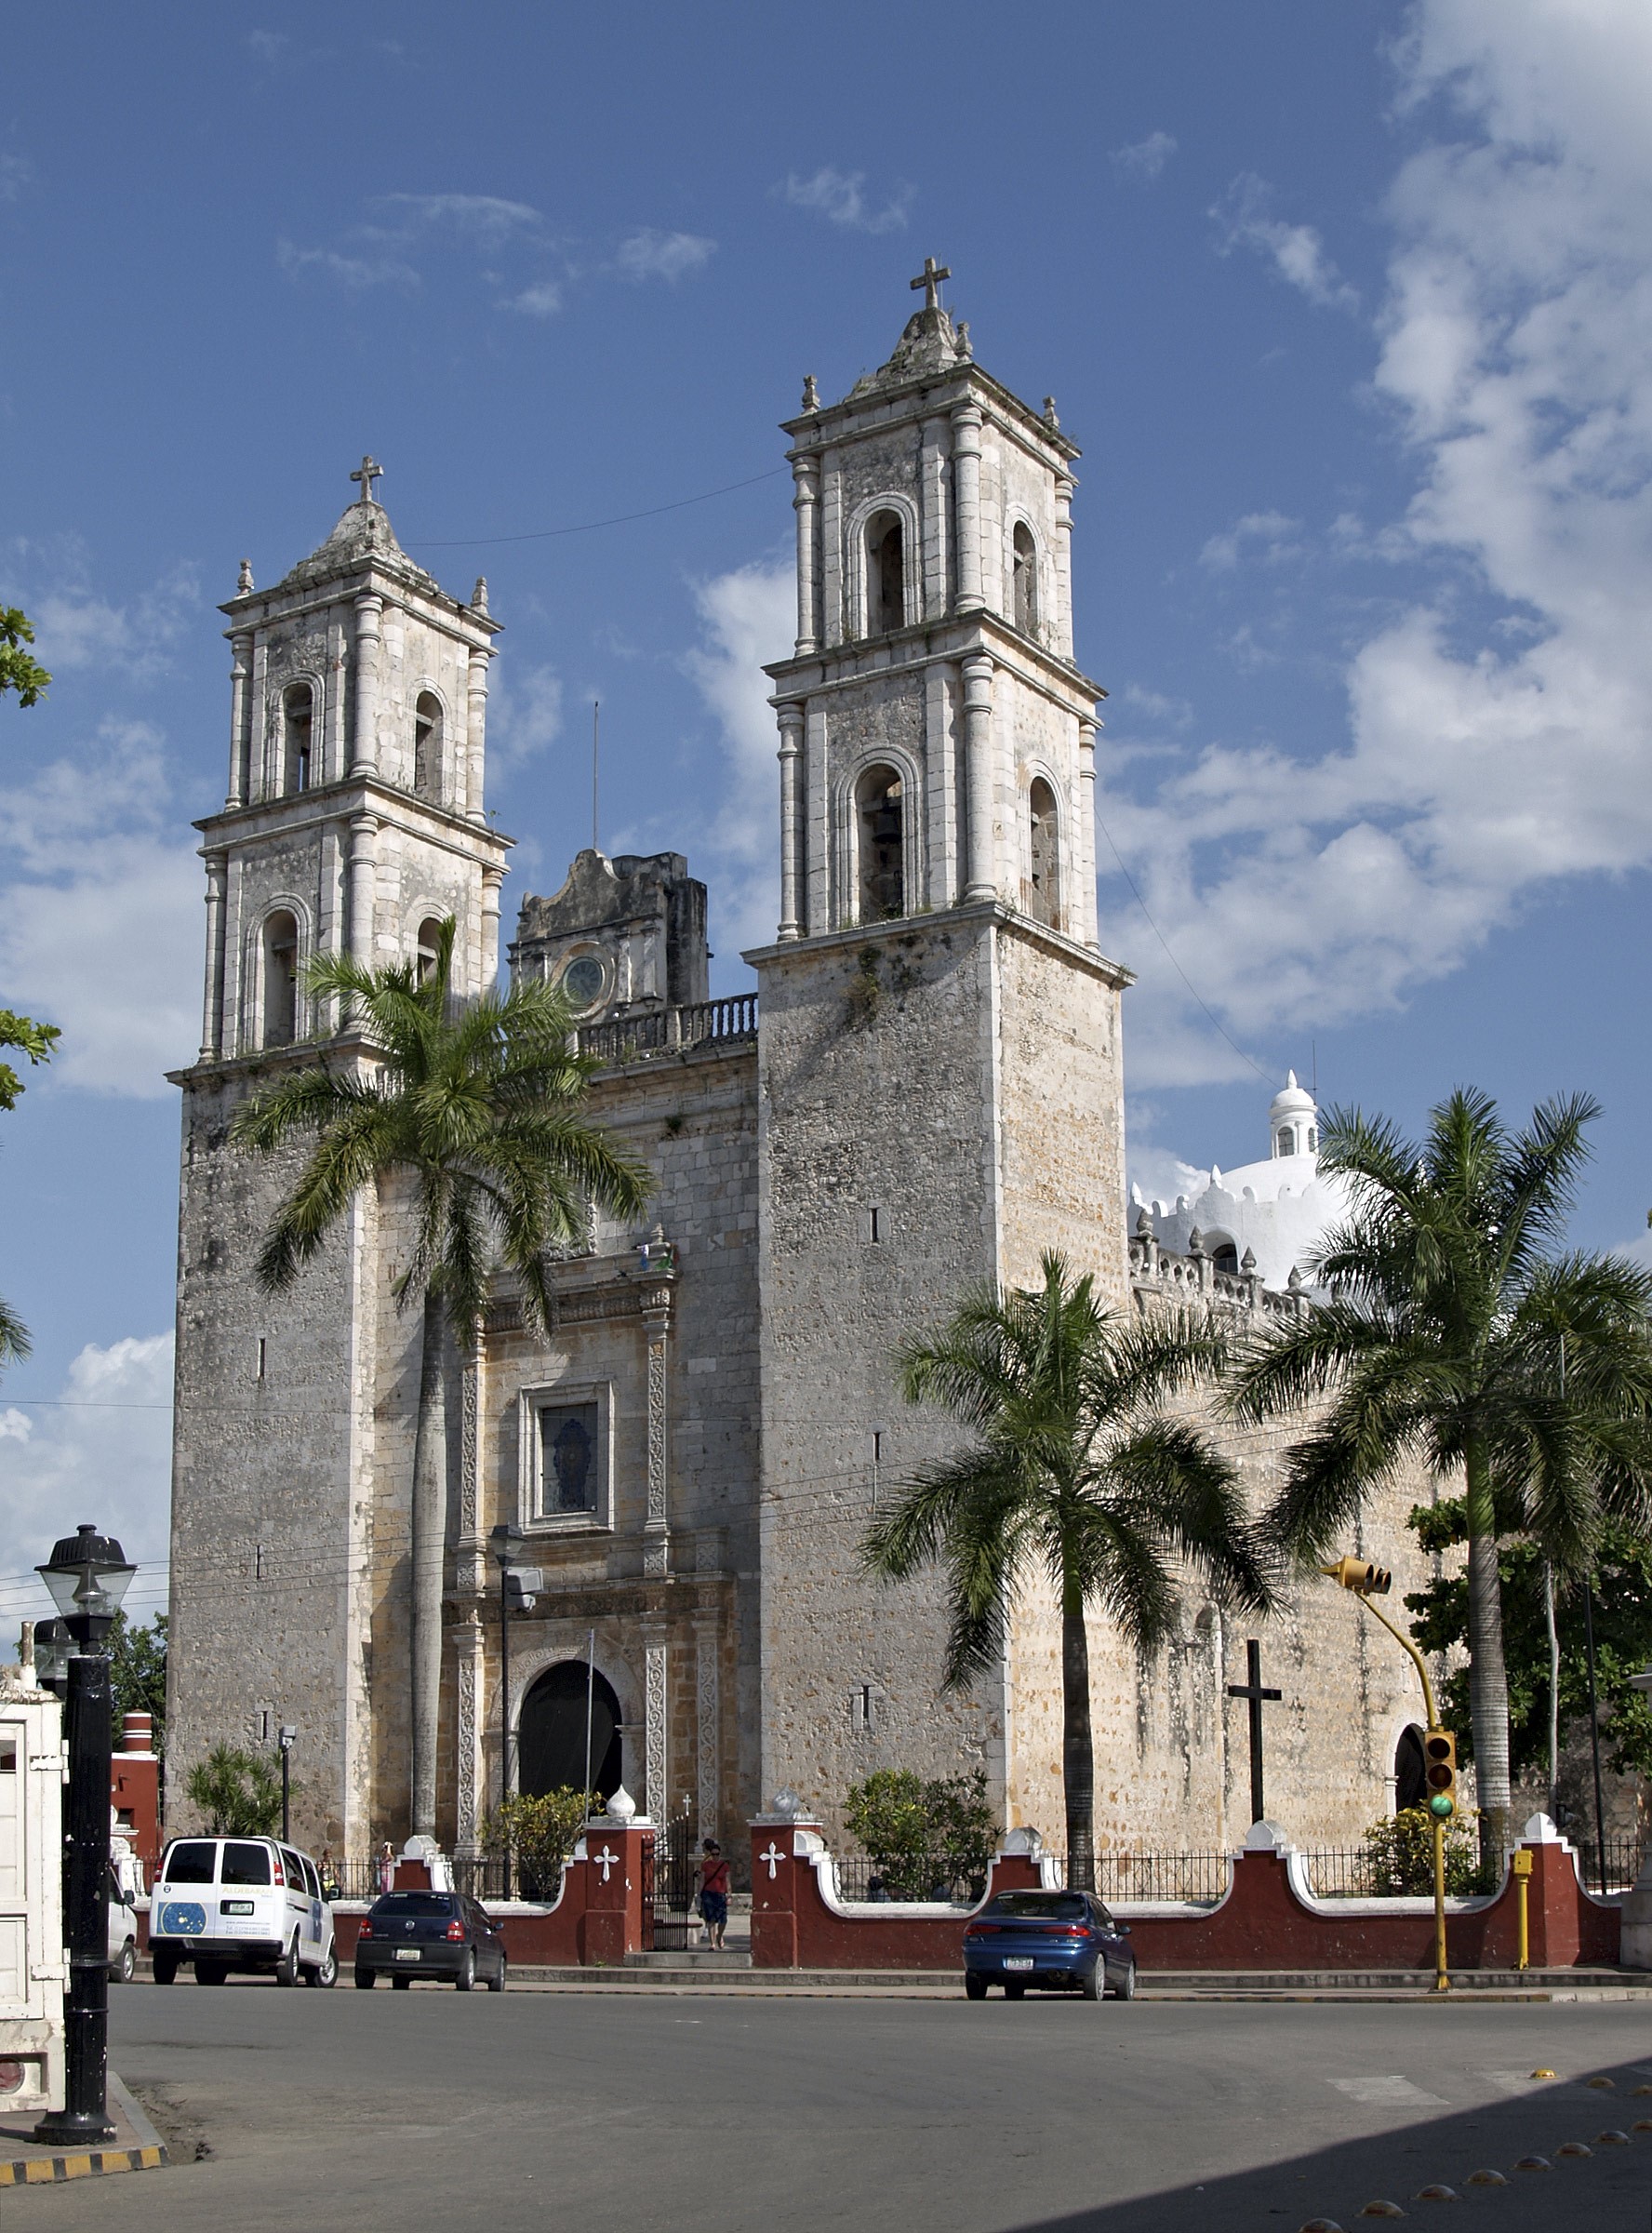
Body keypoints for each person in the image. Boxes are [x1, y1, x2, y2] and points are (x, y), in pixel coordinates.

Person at [694, 1838, 730, 1950]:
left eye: (717, 1854)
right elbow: (703, 1879)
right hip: (708, 1893)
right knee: (711, 1919)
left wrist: (729, 1895)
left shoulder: (724, 1865)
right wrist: (699, 1894)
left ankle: (719, 1936)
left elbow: (727, 1881)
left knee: (723, 1920)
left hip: (720, 1894)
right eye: (713, 1854)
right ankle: (712, 1943)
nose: (715, 1856)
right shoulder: (706, 1863)